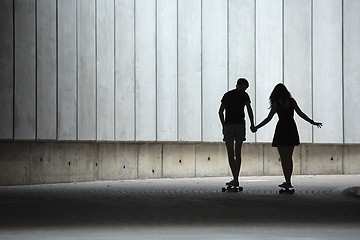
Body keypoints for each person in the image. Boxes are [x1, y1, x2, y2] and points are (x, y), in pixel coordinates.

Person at [253, 83, 322, 188]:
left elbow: (268, 118)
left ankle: (287, 181)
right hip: (291, 128)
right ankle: (289, 181)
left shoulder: (276, 104)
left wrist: (256, 127)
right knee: (289, 157)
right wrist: (313, 122)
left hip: (281, 129)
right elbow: (301, 114)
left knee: (283, 157)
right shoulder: (292, 101)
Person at [218, 78, 255, 187]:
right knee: (238, 152)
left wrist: (223, 125)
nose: (245, 89)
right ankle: (235, 178)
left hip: (229, 125)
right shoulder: (244, 95)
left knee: (230, 152)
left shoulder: (227, 95)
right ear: (243, 85)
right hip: (240, 124)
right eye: (246, 87)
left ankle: (235, 178)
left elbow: (220, 111)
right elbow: (249, 109)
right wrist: (252, 124)